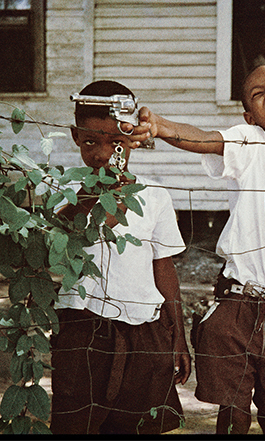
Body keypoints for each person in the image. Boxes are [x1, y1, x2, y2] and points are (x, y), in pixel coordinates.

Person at [127, 64, 265, 434]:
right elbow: (202, 138)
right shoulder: (249, 143)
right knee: (234, 411)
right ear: (249, 115)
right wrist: (161, 126)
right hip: (238, 305)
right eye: (259, 94)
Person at [50, 80, 191, 434]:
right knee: (78, 424)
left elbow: (164, 267)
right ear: (74, 135)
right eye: (90, 142)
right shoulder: (59, 190)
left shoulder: (155, 196)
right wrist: (91, 193)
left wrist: (179, 335)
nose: (102, 153)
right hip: (83, 328)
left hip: (145, 330)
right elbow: (59, 242)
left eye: (116, 142)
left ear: (134, 139)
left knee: (136, 426)